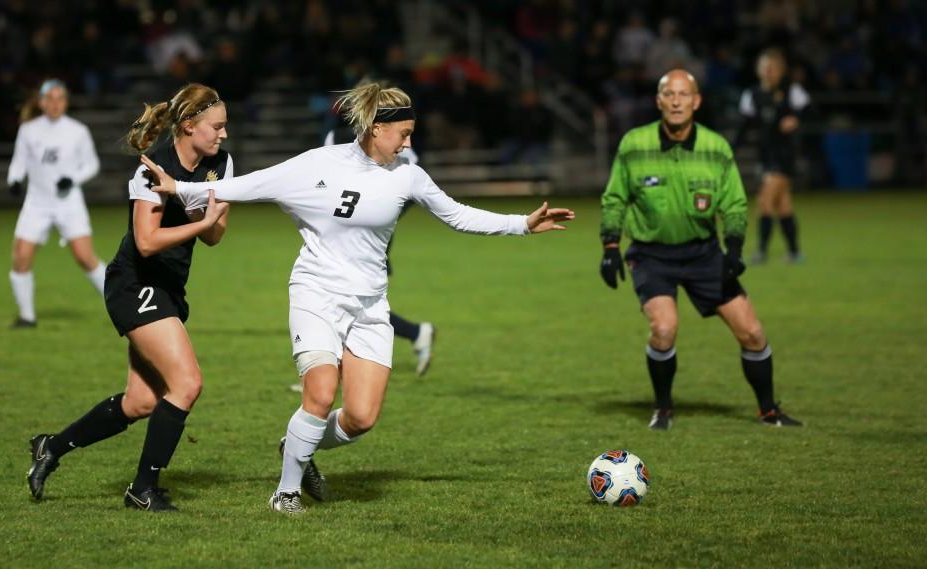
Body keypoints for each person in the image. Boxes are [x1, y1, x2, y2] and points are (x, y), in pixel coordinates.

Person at [141, 81, 574, 515]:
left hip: (369, 306)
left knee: (361, 417)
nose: (409, 142)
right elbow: (251, 185)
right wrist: (180, 189)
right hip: (317, 294)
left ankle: (296, 442)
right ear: (374, 128)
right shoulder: (318, 164)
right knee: (322, 393)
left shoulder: (408, 174)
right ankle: (286, 493)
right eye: (403, 134)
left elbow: (457, 215)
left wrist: (522, 224)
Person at [26, 83, 233, 512]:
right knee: (187, 383)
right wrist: (189, 207)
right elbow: (145, 241)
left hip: (170, 288)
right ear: (189, 126)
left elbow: (215, 234)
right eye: (216, 126)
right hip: (134, 283)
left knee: (141, 400)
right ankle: (142, 489)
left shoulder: (221, 164)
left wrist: (184, 197)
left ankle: (51, 446)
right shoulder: (150, 168)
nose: (223, 135)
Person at [598, 69, 802, 431]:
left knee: (752, 333)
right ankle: (663, 408)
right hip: (651, 254)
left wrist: (734, 248)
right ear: (658, 101)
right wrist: (611, 245)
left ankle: (769, 410)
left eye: (684, 94)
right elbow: (615, 199)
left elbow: (735, 205)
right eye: (669, 94)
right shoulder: (634, 144)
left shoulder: (716, 148)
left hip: (704, 254)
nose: (676, 101)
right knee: (664, 329)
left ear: (696, 101)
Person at [322, 117, 434, 378]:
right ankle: (416, 333)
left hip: (368, 235)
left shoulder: (392, 138)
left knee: (348, 302)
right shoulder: (336, 136)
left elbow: (412, 183)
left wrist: (382, 217)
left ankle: (329, 374)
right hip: (340, 233)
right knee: (343, 302)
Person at [6, 79, 106, 328]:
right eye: (50, 98)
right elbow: (19, 162)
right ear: (41, 102)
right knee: (21, 258)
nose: (55, 103)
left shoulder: (78, 131)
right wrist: (14, 180)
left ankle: (120, 305)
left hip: (68, 203)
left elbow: (92, 165)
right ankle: (27, 317)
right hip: (37, 203)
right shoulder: (28, 130)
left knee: (85, 257)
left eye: (60, 98)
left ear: (66, 102)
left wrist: (72, 179)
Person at [736, 48, 809, 264]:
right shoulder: (752, 95)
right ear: (759, 70)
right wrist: (730, 149)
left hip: (785, 155)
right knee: (784, 204)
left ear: (781, 70)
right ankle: (795, 252)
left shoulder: (791, 91)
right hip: (765, 155)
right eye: (765, 67)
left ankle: (761, 252)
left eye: (773, 67)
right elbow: (744, 127)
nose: (769, 71)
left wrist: (795, 118)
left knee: (765, 201)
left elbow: (810, 110)